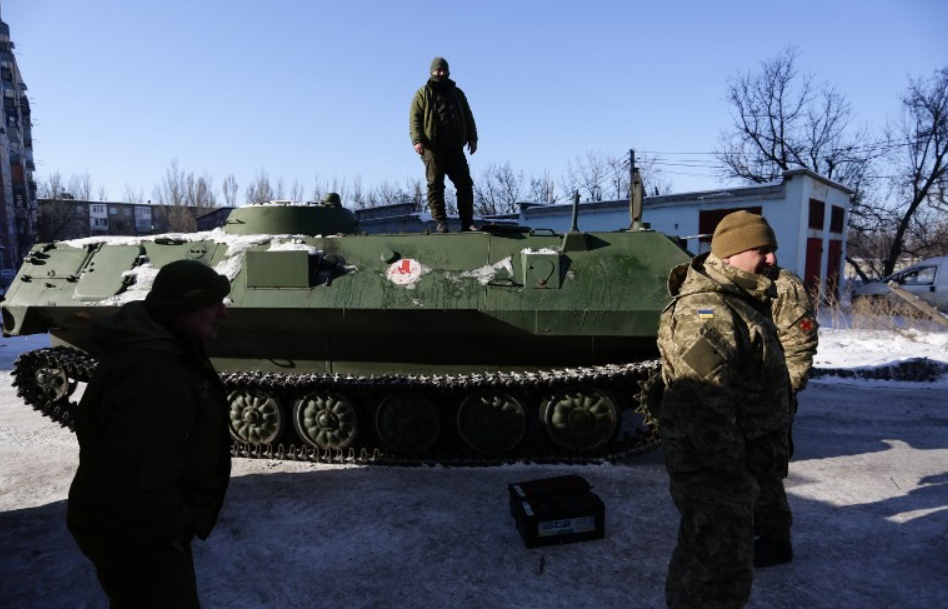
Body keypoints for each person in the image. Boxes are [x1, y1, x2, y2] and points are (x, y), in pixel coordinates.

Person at [67, 259, 232, 608]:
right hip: (139, 539)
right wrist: (170, 531)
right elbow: (137, 477)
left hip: (138, 532)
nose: (223, 312)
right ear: (182, 309)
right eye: (213, 303)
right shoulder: (151, 375)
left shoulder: (169, 351)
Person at [656, 210, 791, 609]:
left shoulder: (738, 300)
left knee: (705, 559)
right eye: (761, 250)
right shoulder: (710, 311)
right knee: (718, 576)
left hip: (735, 466)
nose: (771, 259)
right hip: (717, 473)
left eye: (772, 249)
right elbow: (702, 407)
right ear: (730, 253)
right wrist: (731, 478)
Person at [754, 265, 819, 567]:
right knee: (748, 465)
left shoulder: (784, 284)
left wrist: (785, 392)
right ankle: (756, 522)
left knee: (767, 468)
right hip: (748, 392)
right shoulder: (741, 279)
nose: (769, 257)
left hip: (771, 395)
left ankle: (776, 539)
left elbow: (800, 343)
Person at [409, 56, 478, 233]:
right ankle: (440, 221)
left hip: (455, 148)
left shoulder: (457, 94)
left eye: (443, 70)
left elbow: (468, 115)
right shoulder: (423, 94)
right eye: (438, 70)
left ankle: (467, 222)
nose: (441, 73)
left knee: (465, 184)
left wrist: (472, 137)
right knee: (435, 184)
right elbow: (415, 119)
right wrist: (417, 140)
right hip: (432, 148)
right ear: (432, 71)